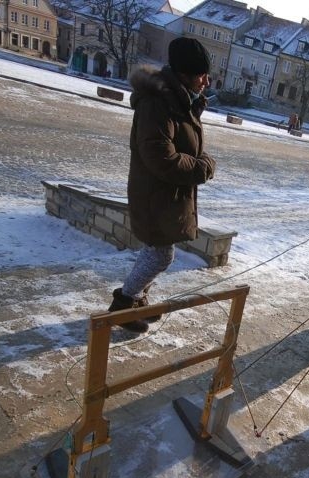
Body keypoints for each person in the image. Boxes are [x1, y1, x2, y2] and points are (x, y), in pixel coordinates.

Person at [108, 37, 216, 332]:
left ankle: (139, 301)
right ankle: (124, 304)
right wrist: (202, 168)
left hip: (164, 194)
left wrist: (194, 120)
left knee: (154, 251)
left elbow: (184, 142)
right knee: (160, 254)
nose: (206, 81)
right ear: (184, 74)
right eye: (201, 75)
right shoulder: (158, 103)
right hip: (154, 195)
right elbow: (160, 157)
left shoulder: (179, 101)